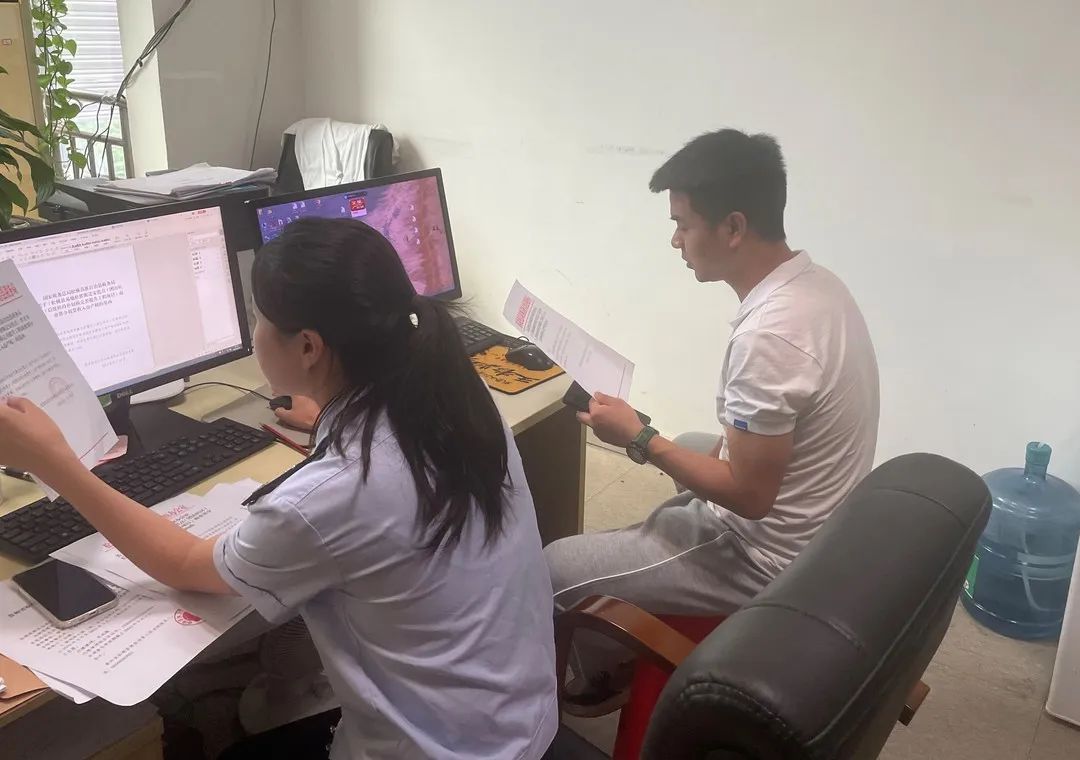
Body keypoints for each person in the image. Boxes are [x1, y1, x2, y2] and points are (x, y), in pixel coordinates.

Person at [0, 218, 558, 759]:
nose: (253, 336)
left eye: (258, 319)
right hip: (519, 723)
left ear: (309, 347)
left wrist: (58, 465)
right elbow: (387, 473)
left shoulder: (331, 496)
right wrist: (330, 417)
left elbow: (184, 564)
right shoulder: (459, 401)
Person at [545, 129, 880, 699]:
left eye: (683, 224)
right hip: (824, 526)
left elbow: (750, 498)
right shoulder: (818, 286)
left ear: (733, 227)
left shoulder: (770, 337)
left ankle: (601, 672)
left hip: (765, 556)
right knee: (700, 441)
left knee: (555, 567)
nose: (675, 240)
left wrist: (639, 438)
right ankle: (630, 617)